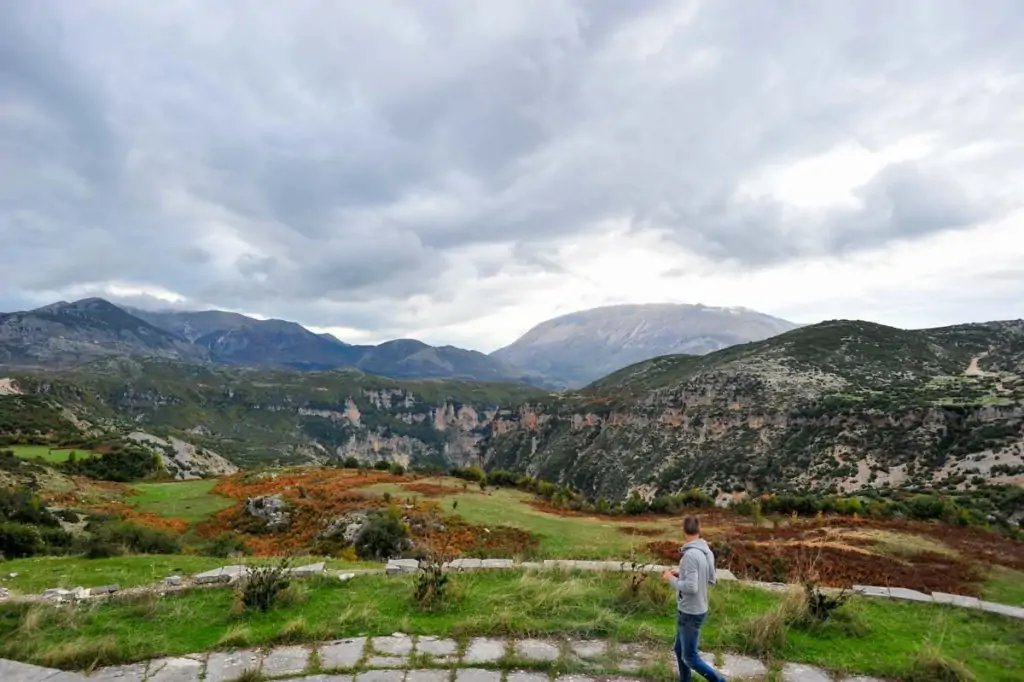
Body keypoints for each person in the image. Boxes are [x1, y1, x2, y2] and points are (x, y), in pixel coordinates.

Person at [661, 515, 726, 682]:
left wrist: (671, 578)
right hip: (699, 607)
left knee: (689, 657)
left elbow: (691, 587)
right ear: (699, 530)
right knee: (678, 649)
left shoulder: (689, 556)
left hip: (690, 611)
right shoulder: (707, 551)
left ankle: (719, 681)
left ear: (683, 531)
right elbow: (711, 579)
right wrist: (682, 572)